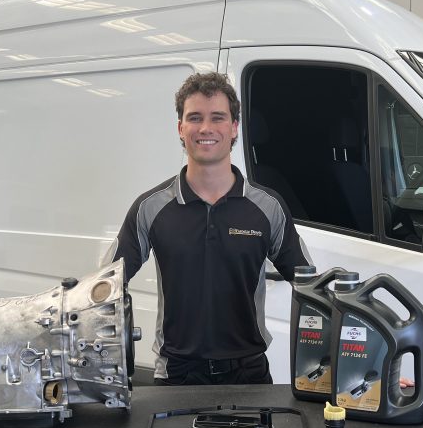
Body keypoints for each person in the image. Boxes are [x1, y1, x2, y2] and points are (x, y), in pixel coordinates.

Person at [104, 72, 311, 385]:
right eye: (195, 117)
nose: (205, 128)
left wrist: (361, 366)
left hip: (249, 376)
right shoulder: (152, 207)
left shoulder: (267, 207)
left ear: (234, 128)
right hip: (176, 375)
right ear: (180, 128)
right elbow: (103, 289)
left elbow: (314, 292)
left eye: (217, 117)